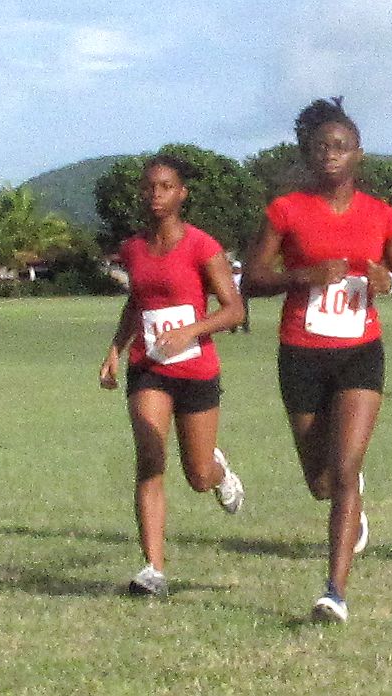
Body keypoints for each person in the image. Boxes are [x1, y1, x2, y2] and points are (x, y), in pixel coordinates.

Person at [242, 97, 392, 623]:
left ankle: (334, 592)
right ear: (307, 154)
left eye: (341, 147)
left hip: (360, 353)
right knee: (320, 481)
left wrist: (388, 281)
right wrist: (304, 274)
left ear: (358, 154)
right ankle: (351, 495)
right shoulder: (286, 211)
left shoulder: (382, 215)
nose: (331, 155)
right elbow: (251, 279)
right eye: (321, 147)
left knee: (344, 470)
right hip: (301, 352)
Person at [98, 154, 246, 598]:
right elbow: (137, 302)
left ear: (182, 193)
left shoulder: (203, 246)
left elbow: (234, 310)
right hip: (149, 367)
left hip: (197, 369)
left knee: (196, 475)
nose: (156, 196)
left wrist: (191, 331)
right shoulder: (134, 248)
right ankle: (153, 570)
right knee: (150, 457)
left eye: (166, 187)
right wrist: (115, 348)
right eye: (149, 188)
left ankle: (220, 473)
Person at [229, 260, 251, 333]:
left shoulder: (243, 277)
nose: (236, 269)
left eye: (237, 268)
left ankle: (245, 328)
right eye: (234, 268)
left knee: (244, 311)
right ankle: (233, 328)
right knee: (233, 312)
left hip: (242, 295)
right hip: (233, 296)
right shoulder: (230, 277)